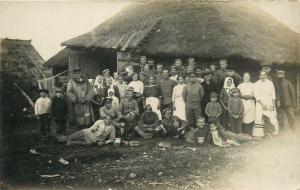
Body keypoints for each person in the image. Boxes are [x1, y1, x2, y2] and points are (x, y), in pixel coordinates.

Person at [253, 71, 279, 137]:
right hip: (260, 103)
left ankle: (272, 131)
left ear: (266, 75)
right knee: (259, 117)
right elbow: (256, 96)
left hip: (269, 101)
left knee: (271, 116)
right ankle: (260, 134)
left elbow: (273, 94)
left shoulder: (270, 83)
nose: (263, 76)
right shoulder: (256, 84)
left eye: (264, 75)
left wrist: (272, 104)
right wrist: (262, 105)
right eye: (261, 75)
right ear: (259, 76)